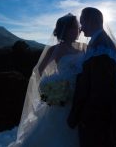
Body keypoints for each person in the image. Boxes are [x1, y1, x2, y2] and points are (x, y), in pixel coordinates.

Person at [8, 13, 86, 147]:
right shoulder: (55, 49)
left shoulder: (82, 47)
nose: (78, 29)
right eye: (74, 27)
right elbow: (38, 71)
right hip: (64, 98)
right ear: (65, 30)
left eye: (77, 26)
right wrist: (51, 86)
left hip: (80, 96)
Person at [67, 7, 116, 147]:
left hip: (95, 116)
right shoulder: (98, 42)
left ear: (90, 21)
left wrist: (80, 114)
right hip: (97, 114)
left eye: (82, 22)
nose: (81, 28)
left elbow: (98, 88)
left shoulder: (101, 46)